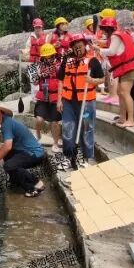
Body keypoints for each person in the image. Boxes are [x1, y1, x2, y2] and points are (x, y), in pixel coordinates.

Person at [0, 103, 46, 196]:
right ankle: (16, 180)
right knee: (7, 155)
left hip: (34, 154)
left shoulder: (7, 124)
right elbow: (8, 144)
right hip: (26, 151)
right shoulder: (6, 121)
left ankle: (35, 184)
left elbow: (8, 146)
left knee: (9, 165)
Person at [58, 33, 103, 168]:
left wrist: (92, 80)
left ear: (85, 46)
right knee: (67, 129)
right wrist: (59, 100)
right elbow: (60, 80)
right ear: (72, 47)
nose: (78, 48)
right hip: (68, 102)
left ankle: (85, 158)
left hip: (86, 102)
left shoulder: (92, 61)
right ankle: (68, 157)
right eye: (75, 46)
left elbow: (102, 79)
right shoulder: (67, 60)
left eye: (80, 46)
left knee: (87, 129)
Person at [102, 16, 134, 129]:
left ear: (108, 28)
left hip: (130, 67)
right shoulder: (118, 34)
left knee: (125, 92)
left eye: (104, 28)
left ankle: (130, 120)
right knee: (120, 92)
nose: (103, 31)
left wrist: (99, 50)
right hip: (126, 67)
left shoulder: (115, 36)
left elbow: (112, 51)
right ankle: (122, 117)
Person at [32, 43, 63, 151]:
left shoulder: (59, 66)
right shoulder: (39, 66)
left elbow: (62, 82)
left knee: (54, 122)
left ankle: (55, 143)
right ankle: (38, 134)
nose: (48, 58)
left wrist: (60, 100)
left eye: (50, 56)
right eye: (46, 56)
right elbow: (34, 82)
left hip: (55, 97)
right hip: (43, 96)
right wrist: (38, 75)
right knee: (39, 119)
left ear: (54, 55)